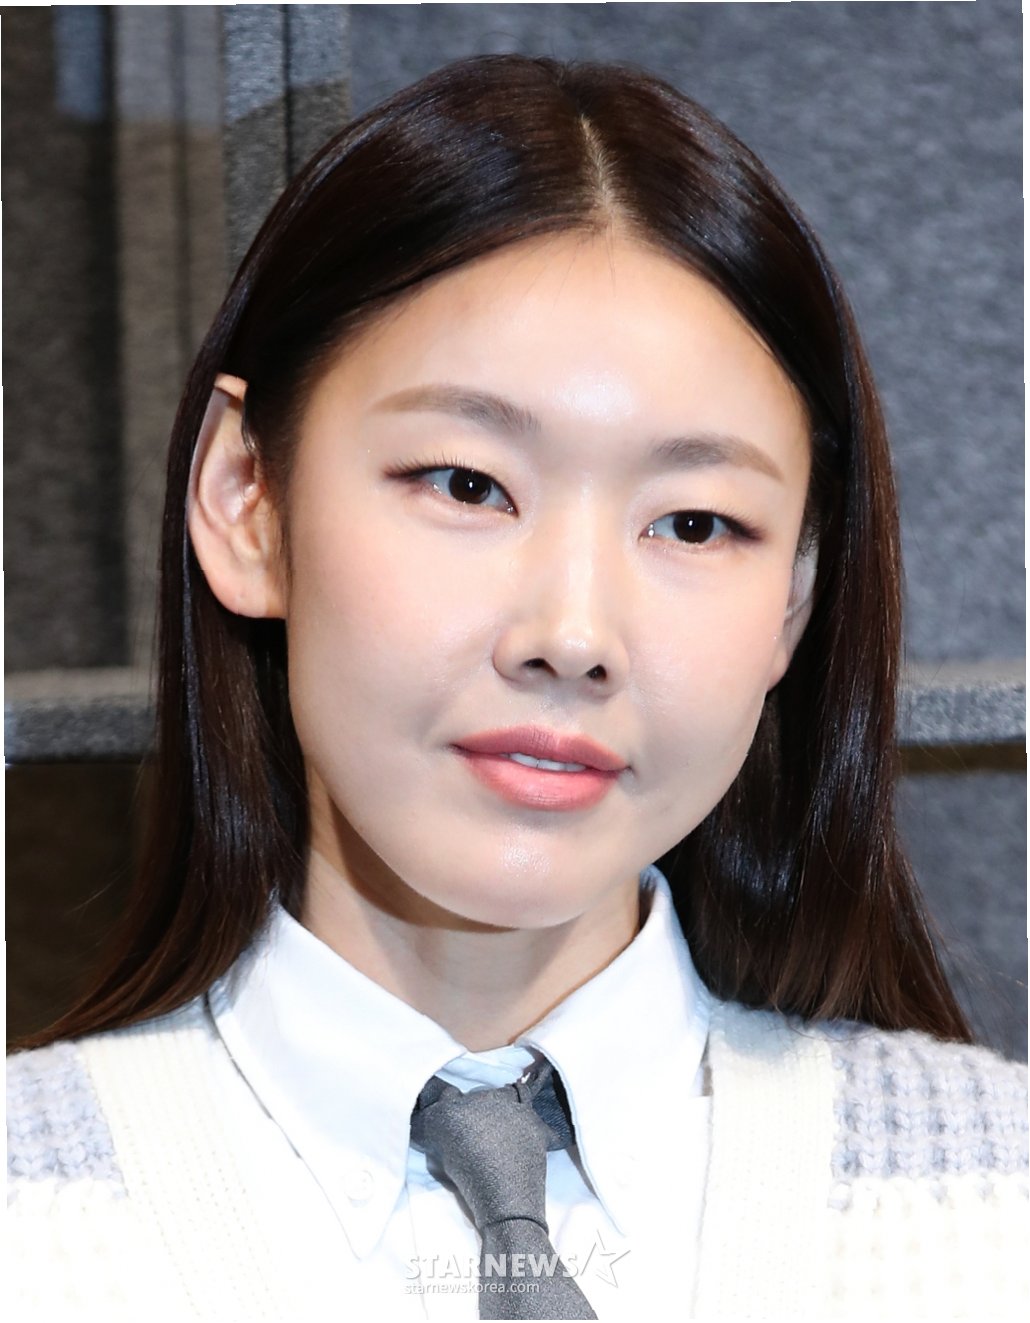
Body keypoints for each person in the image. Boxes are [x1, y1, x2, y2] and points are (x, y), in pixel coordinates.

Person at [7, 54, 1027, 1322]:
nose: (574, 635)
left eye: (695, 523)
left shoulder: (994, 1210)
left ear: (794, 601)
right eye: (468, 485)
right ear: (245, 502)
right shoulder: (31, 1229)